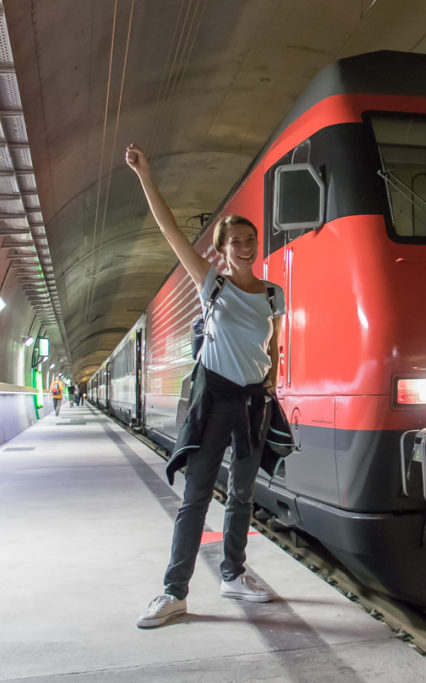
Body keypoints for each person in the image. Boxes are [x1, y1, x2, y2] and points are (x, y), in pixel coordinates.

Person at [126, 143, 286, 629]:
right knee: (196, 496)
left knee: (242, 494)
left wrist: (270, 386)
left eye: (249, 239)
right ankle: (174, 592)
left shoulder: (274, 293)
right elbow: (169, 230)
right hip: (213, 398)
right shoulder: (211, 284)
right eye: (234, 240)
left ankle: (235, 574)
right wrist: (144, 176)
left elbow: (273, 347)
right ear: (221, 249)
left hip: (252, 402)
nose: (243, 246)